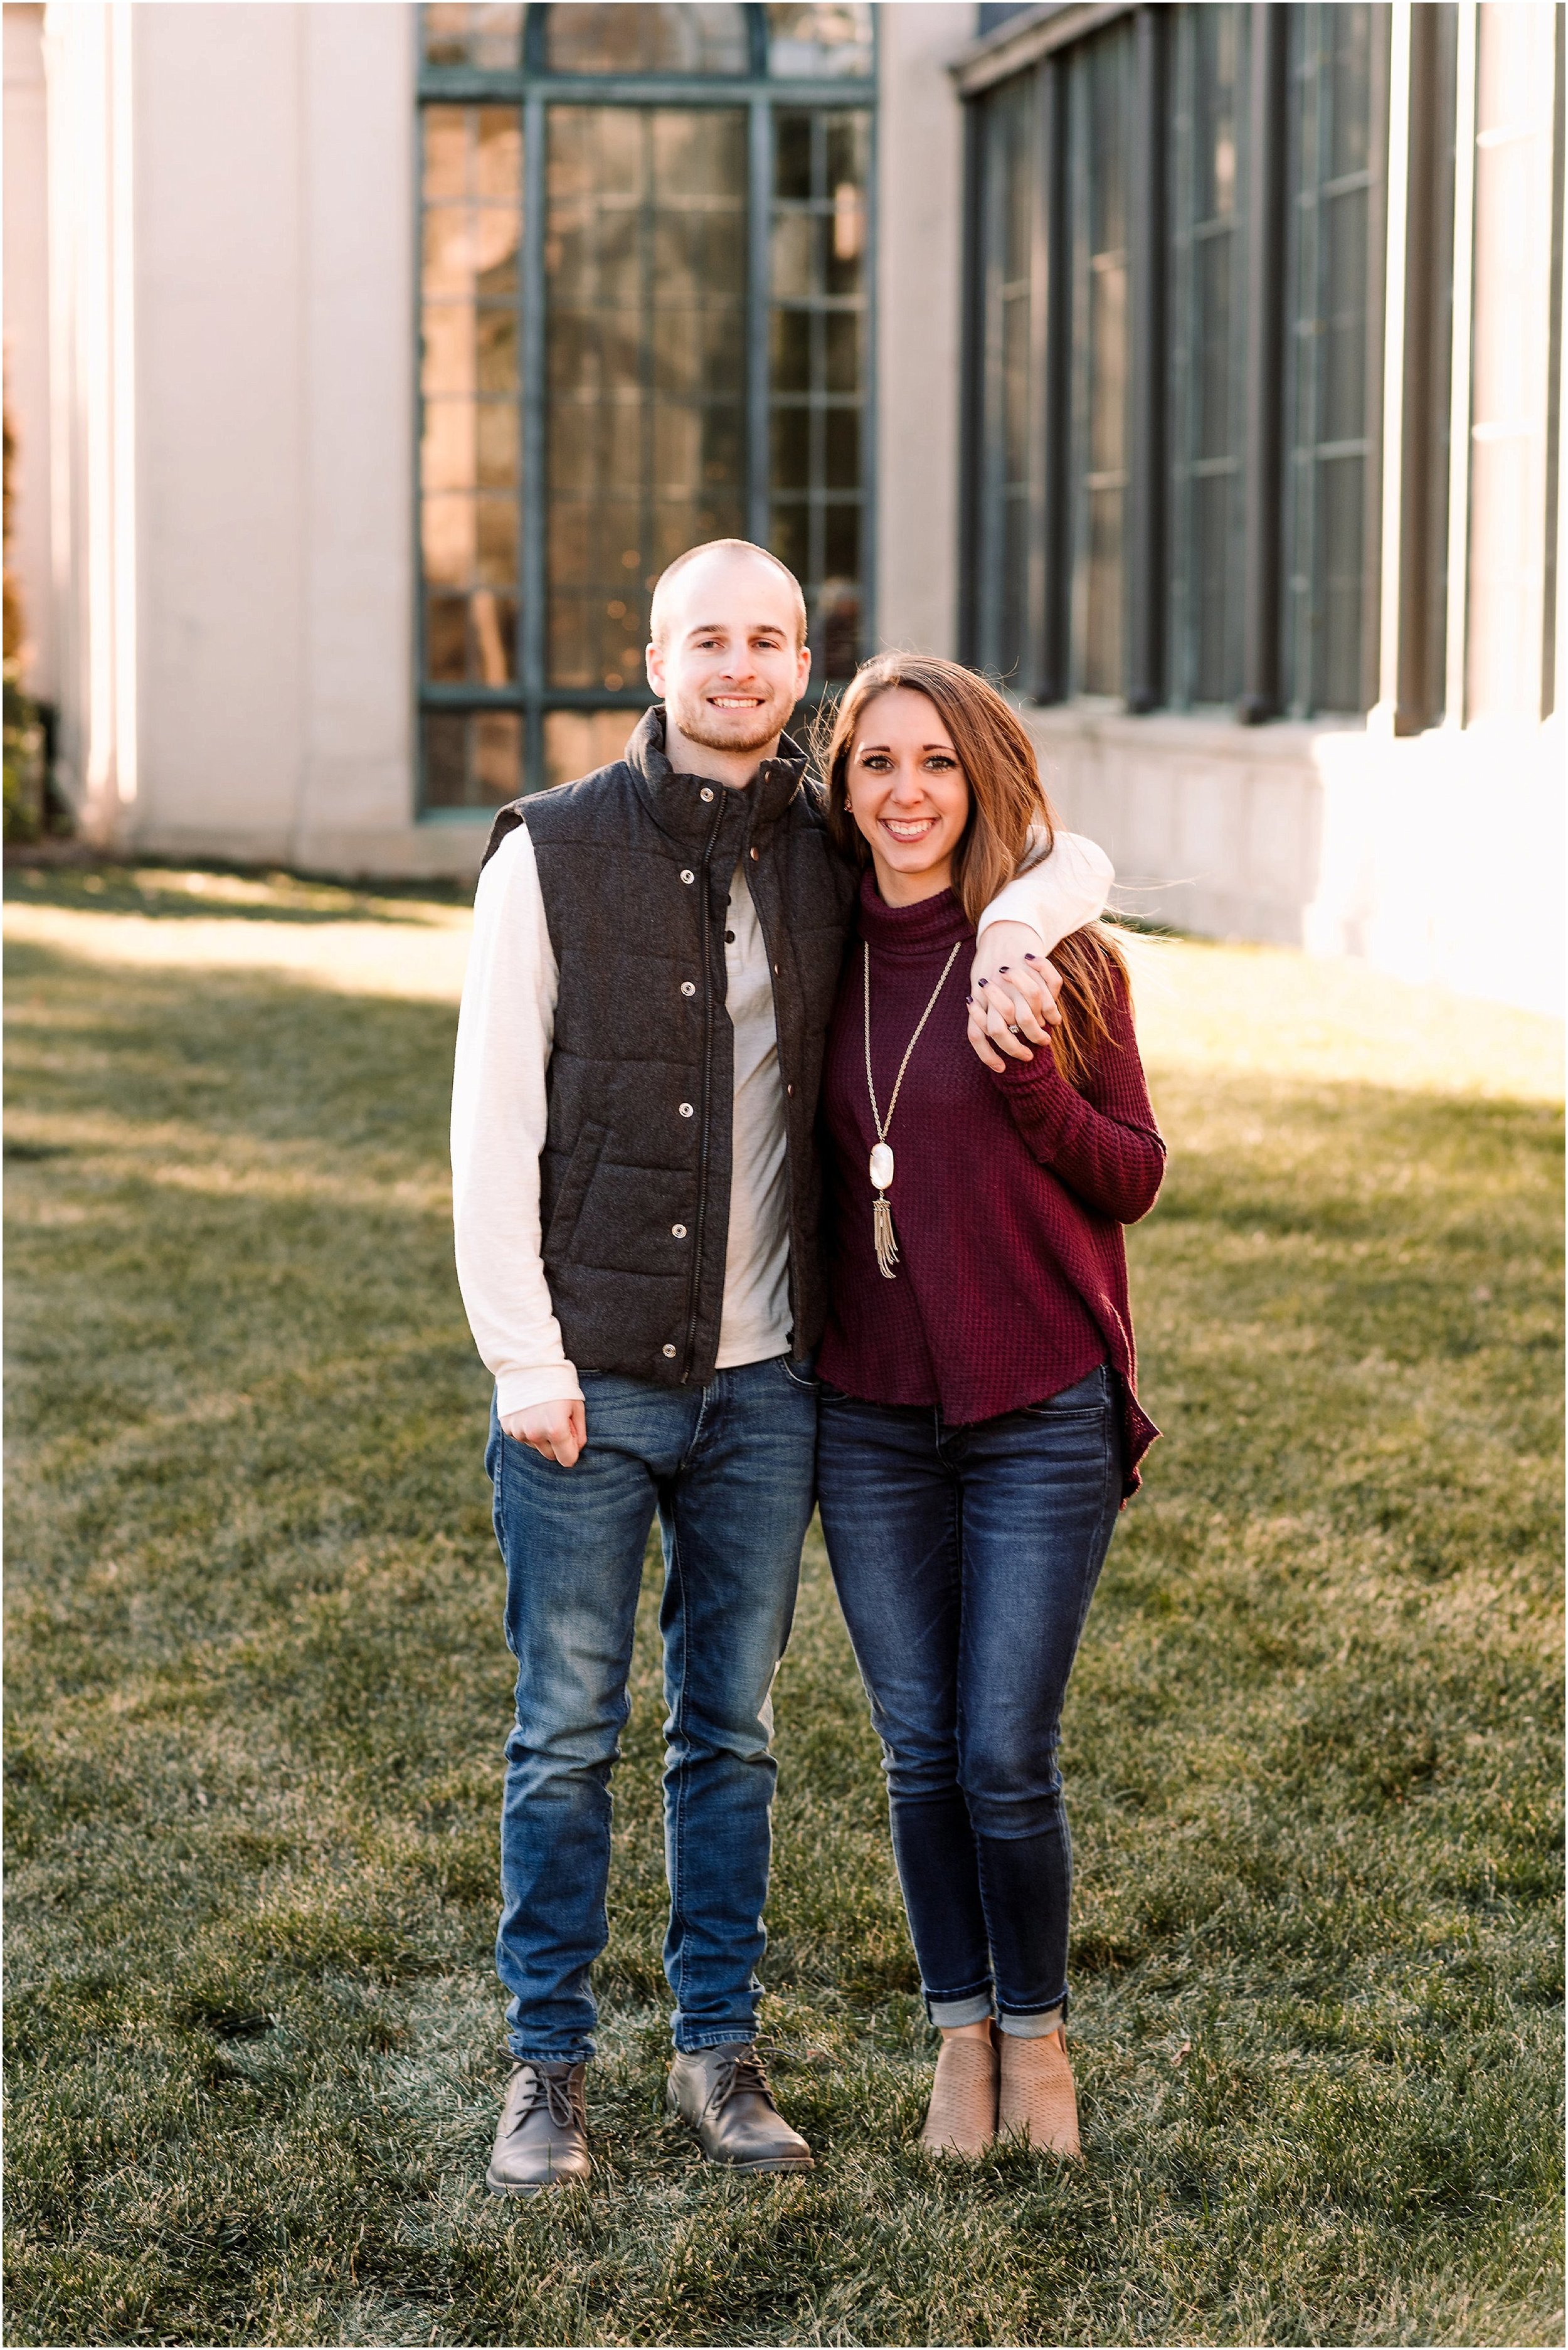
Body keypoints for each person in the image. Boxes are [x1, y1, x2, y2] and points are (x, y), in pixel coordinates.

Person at [450, 541, 1116, 2195]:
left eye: (768, 642)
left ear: (798, 663)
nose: (739, 669)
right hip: (585, 1387)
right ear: (652, 653)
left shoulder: (821, 842)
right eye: (708, 640)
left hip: (770, 1389)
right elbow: (488, 1127)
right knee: (563, 1729)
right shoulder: (547, 853)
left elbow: (1046, 841)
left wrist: (1027, 922)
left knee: (729, 1735)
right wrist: (523, 1354)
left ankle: (715, 2053)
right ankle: (545, 2067)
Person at [812, 653, 1165, 2162]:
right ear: (841, 785)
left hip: (1038, 1407)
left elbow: (1133, 1174)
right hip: (868, 1415)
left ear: (980, 778)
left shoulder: (1061, 960)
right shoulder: (812, 943)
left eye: (936, 763)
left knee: (1001, 1751)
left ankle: (1037, 2035)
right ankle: (957, 2034)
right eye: (875, 762)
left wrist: (1028, 1082)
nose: (905, 792)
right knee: (914, 1749)